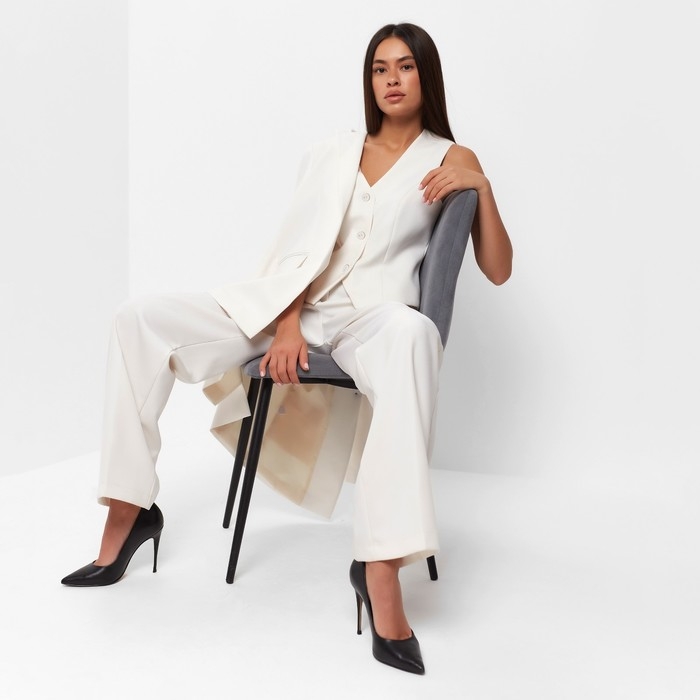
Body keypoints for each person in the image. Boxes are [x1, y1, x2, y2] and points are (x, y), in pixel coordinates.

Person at [61, 22, 512, 675]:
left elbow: (497, 269)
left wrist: (482, 187)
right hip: (290, 309)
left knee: (416, 333)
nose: (391, 79)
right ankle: (128, 511)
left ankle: (379, 566)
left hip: (371, 319)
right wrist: (289, 323)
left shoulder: (450, 156)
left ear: (426, 76)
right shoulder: (336, 151)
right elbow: (301, 249)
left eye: (405, 67)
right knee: (139, 320)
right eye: (380, 68)